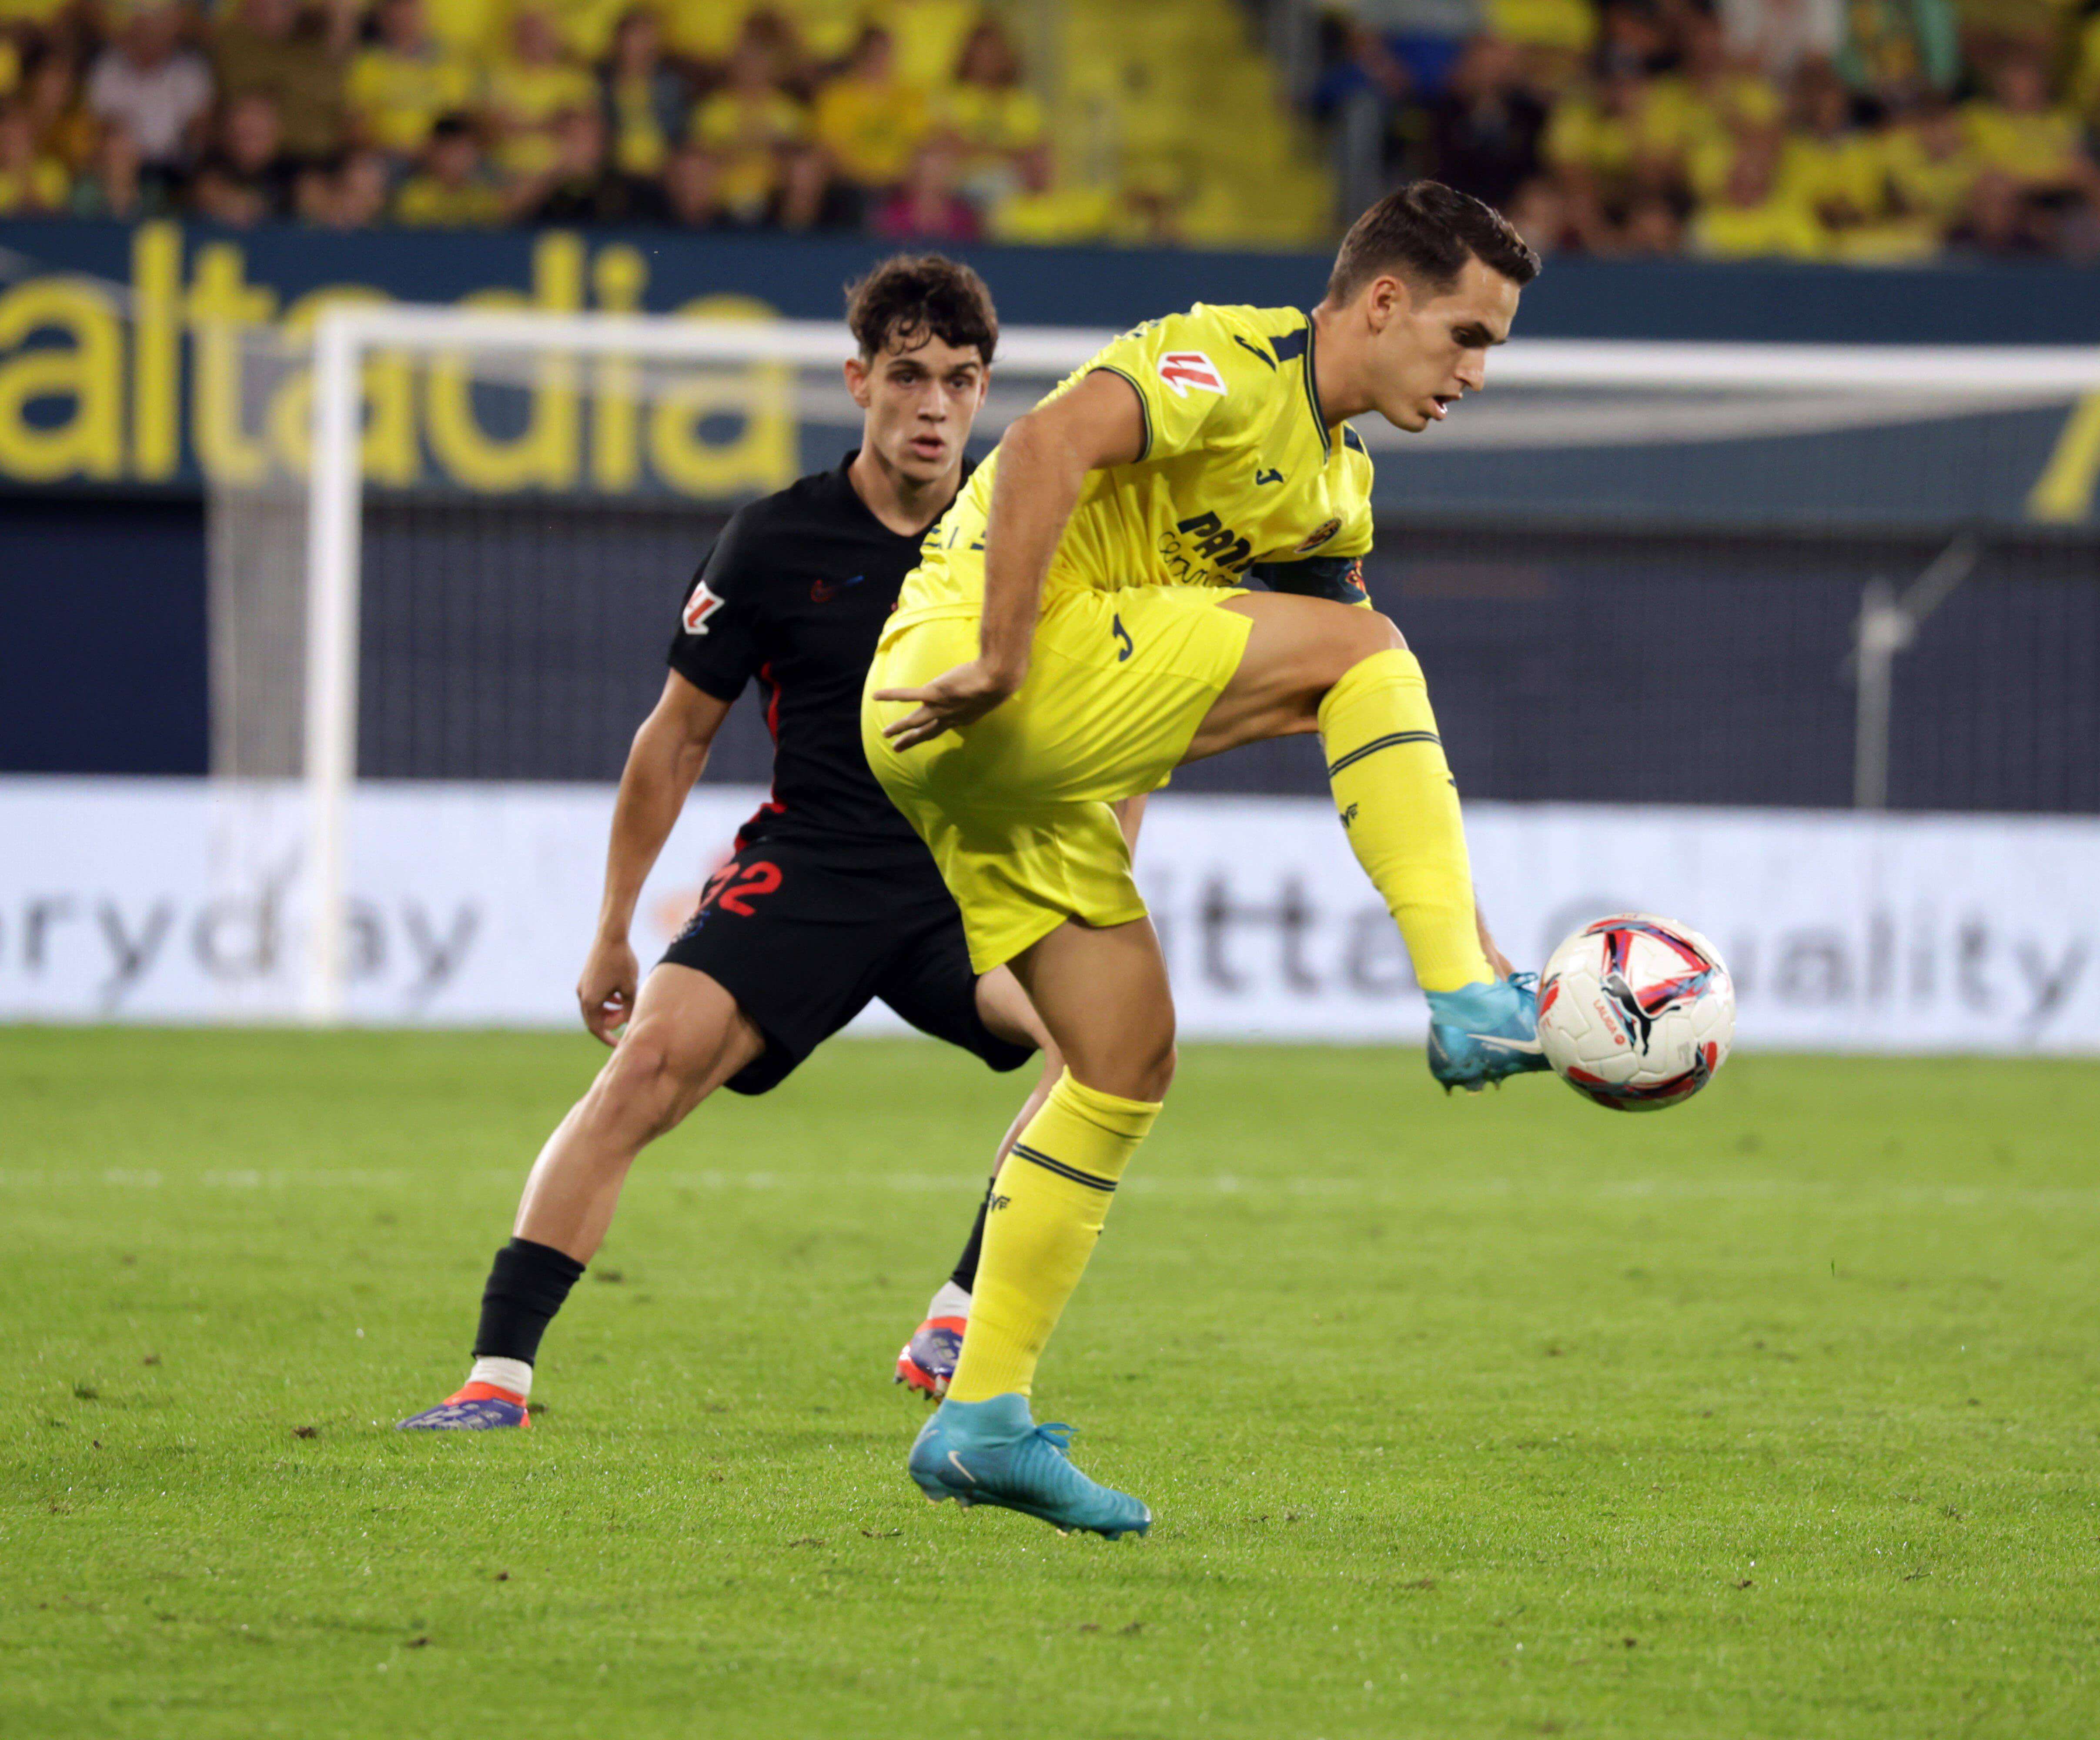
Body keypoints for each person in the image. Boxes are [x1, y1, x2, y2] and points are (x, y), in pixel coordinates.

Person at [863, 181, 1545, 1539]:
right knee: (1370, 649)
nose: (1476, 372)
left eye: (1495, 351)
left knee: (1124, 1060)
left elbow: (1344, 705)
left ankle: (982, 1416)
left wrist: (1480, 932)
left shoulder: (1337, 490)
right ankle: (1460, 988)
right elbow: (1051, 445)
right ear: (1386, 300)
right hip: (973, 669)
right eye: (1466, 335)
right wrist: (1000, 657)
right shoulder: (1231, 360)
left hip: (1009, 757)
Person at [398, 256, 1062, 1431]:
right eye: (907, 376)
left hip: (964, 880)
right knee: (645, 1068)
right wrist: (613, 929)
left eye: (960, 381)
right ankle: (494, 1381)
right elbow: (675, 740)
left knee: (1101, 1043)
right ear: (859, 380)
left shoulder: (1027, 538)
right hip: (811, 867)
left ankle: (964, 1311)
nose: (934, 406)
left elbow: (1115, 723)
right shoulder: (771, 541)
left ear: (983, 390)